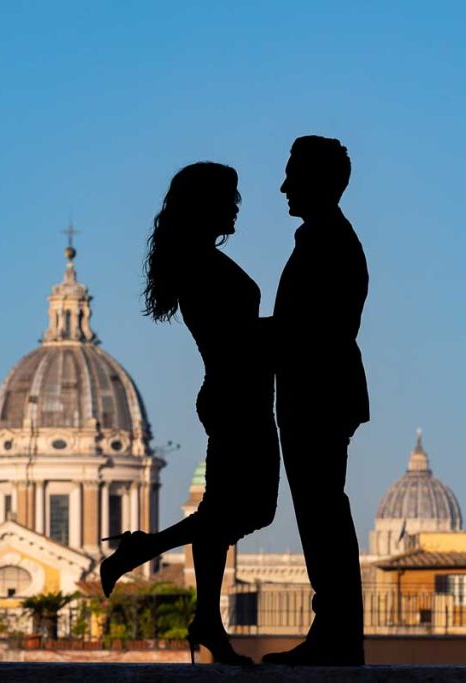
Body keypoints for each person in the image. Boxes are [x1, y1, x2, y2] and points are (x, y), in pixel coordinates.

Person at [100, 162, 279, 665]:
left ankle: (203, 616)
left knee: (223, 514)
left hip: (232, 392)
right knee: (246, 510)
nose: (238, 205)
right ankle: (148, 555)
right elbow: (235, 339)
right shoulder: (202, 264)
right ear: (208, 205)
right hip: (237, 394)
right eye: (231, 196)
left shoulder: (194, 261)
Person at [262, 136, 370, 666]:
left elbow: (308, 330)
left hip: (318, 395)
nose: (283, 185)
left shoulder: (327, 242)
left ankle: (336, 636)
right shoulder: (326, 238)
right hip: (322, 392)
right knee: (323, 512)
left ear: (318, 181)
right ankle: (335, 633)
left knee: (322, 514)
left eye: (292, 174)